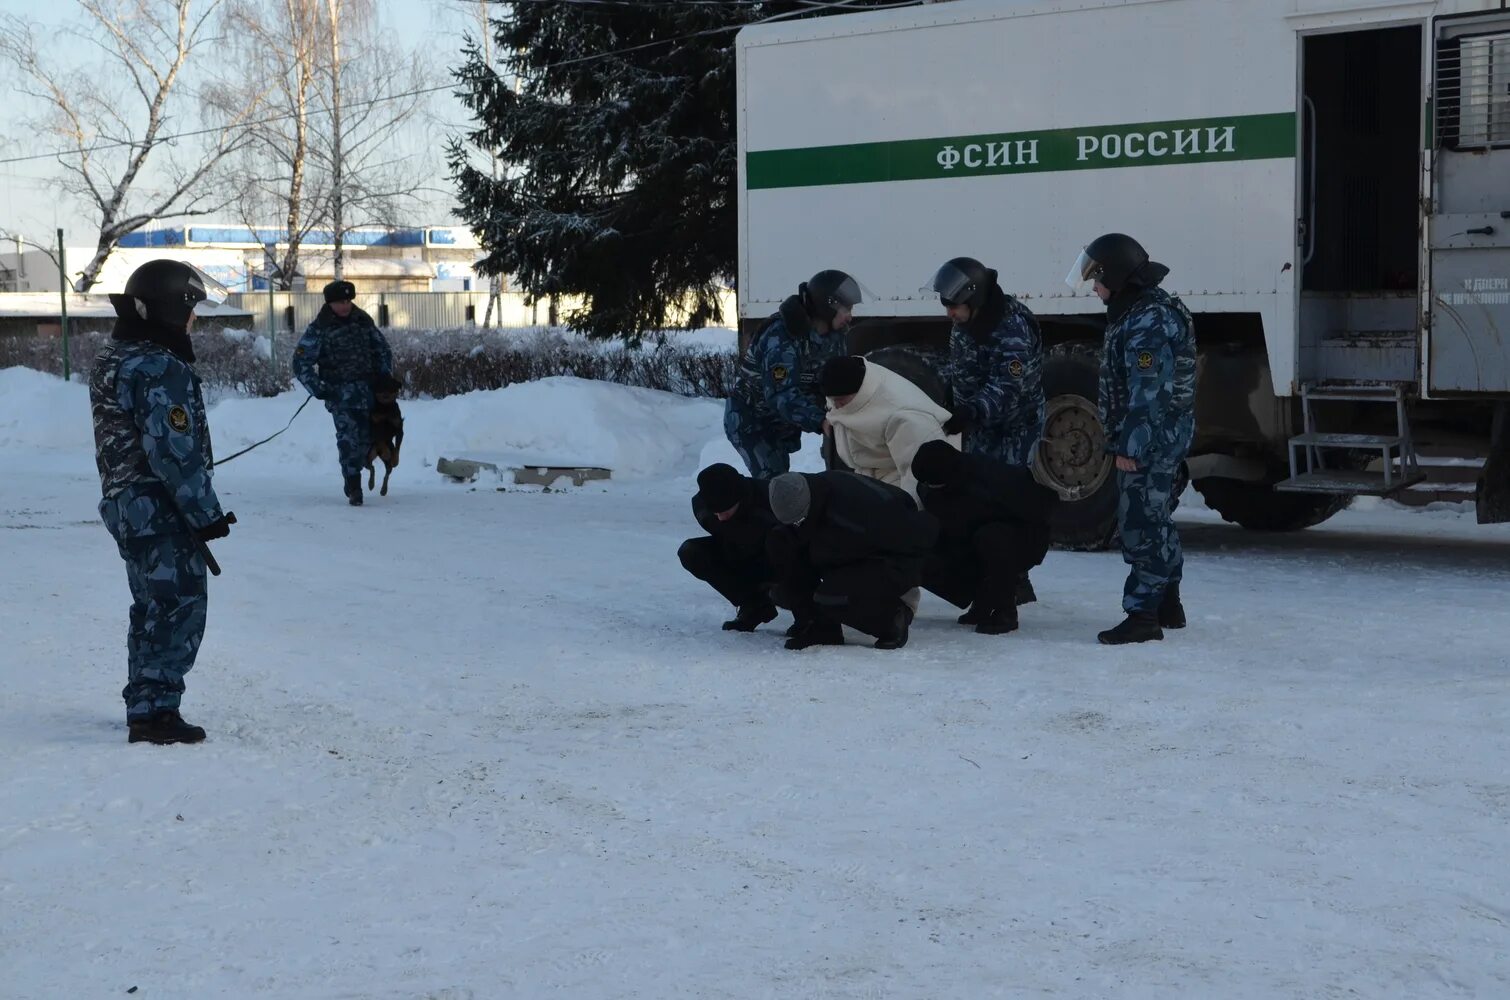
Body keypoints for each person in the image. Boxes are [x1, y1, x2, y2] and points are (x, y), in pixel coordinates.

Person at [89, 259, 235, 745]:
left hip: (126, 506)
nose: (193, 319)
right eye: (191, 308)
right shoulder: (158, 365)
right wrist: (206, 513)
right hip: (161, 508)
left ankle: (145, 703)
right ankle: (155, 712)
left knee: (150, 606)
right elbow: (172, 452)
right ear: (174, 306)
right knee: (178, 607)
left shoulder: (117, 356)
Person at [1065, 233, 1196, 644]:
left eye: (1098, 279)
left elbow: (1149, 393)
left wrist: (1131, 448)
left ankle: (1143, 616)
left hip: (1150, 439)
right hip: (1160, 435)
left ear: (1119, 276)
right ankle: (1166, 601)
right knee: (1155, 517)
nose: (1094, 288)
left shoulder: (1148, 322)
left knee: (1139, 522)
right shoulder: (1142, 310)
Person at [926, 256, 1047, 604]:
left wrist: (972, 410)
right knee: (975, 501)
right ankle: (988, 580)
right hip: (981, 425)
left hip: (1012, 426)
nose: (949, 313)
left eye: (954, 306)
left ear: (974, 298)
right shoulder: (968, 321)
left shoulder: (1011, 327)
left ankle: (1013, 583)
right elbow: (963, 367)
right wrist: (953, 400)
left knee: (1005, 504)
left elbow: (1009, 386)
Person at [764, 470, 938, 650]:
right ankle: (818, 625)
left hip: (888, 559)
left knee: (831, 597)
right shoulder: (804, 493)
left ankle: (892, 619)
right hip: (842, 554)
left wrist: (901, 582)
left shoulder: (862, 512)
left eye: (798, 521)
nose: (795, 526)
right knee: (780, 542)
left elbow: (916, 542)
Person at [911, 440, 1057, 636]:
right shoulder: (937, 487)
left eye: (931, 483)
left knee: (991, 538)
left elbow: (1039, 510)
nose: (928, 487)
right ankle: (982, 602)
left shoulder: (992, 478)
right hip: (974, 537)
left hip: (1023, 538)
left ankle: (1005, 610)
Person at [724, 270, 860, 478]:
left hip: (783, 423)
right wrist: (821, 420)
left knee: (784, 480)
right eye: (846, 309)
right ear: (828, 306)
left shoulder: (835, 336)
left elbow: (837, 378)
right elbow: (781, 394)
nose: (850, 316)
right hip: (753, 422)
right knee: (774, 482)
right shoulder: (780, 336)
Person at [292, 279, 394, 505]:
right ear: (330, 303)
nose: (345, 306)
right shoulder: (320, 328)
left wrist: (385, 379)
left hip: (369, 393)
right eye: (340, 302)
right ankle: (353, 483)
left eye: (348, 301)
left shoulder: (363, 322)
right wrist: (319, 389)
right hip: (340, 396)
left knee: (369, 439)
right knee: (348, 439)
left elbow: (382, 351)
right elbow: (300, 363)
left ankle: (355, 471)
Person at [819, 355, 952, 503]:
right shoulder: (847, 388)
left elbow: (917, 476)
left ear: (857, 390)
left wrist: (907, 513)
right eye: (832, 400)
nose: (836, 407)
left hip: (895, 479)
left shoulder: (902, 416)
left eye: (840, 401)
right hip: (868, 473)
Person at [678, 463, 783, 632]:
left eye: (724, 511)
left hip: (774, 560)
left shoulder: (770, 501)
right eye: (715, 513)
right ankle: (754, 605)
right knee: (690, 551)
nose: (720, 518)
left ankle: (809, 615)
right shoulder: (703, 507)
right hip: (737, 551)